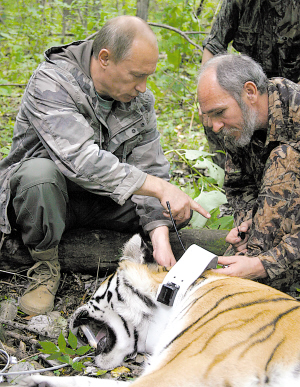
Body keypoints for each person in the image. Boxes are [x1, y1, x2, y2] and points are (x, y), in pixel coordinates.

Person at [0, 16, 210, 316]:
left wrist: (160, 234)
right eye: (137, 75)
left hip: (97, 199)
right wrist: (159, 187)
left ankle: (152, 251)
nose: (143, 87)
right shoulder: (51, 82)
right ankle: (45, 265)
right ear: (105, 59)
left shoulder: (138, 99)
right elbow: (81, 160)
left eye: (148, 76)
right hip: (40, 201)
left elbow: (150, 164)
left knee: (175, 209)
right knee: (39, 176)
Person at [197, 53, 300, 296]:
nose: (215, 126)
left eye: (219, 112)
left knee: (284, 158)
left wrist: (263, 264)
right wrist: (246, 225)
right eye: (209, 116)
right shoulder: (240, 125)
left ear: (250, 92)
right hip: (275, 245)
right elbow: (239, 185)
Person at [201, 0, 300, 167]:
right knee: (217, 116)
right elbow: (214, 46)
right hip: (251, 91)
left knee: (284, 160)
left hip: (293, 94)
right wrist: (205, 101)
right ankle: (228, 179)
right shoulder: (238, 2)